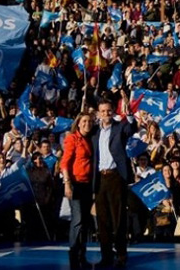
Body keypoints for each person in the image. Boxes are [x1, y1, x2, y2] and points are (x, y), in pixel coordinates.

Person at [92, 99, 136, 268]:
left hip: (116, 177)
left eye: (109, 110)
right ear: (99, 113)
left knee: (118, 218)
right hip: (100, 179)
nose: (106, 114)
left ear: (113, 111)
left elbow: (131, 128)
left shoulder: (120, 127)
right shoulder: (95, 131)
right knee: (102, 220)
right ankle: (106, 256)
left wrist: (130, 114)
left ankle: (121, 254)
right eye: (103, 111)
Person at [60, 113, 94, 269]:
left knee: (85, 221)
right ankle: (73, 253)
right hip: (75, 183)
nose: (87, 123)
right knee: (77, 219)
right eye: (84, 121)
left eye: (90, 121)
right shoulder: (72, 138)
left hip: (88, 185)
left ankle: (82, 255)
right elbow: (64, 162)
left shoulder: (91, 139)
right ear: (78, 124)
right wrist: (67, 183)